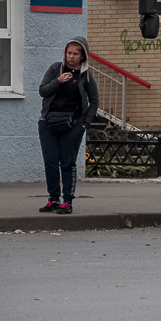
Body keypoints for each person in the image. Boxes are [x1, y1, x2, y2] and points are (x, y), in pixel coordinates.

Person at [37, 38, 99, 214]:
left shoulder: (85, 75)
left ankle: (68, 201)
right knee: (50, 162)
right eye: (68, 53)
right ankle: (53, 199)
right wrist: (58, 81)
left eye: (75, 54)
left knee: (67, 163)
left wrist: (84, 124)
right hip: (48, 123)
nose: (71, 57)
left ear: (82, 56)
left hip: (72, 126)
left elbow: (94, 101)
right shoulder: (55, 68)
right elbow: (43, 91)